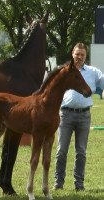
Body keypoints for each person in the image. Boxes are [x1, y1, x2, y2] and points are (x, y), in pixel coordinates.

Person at [54, 43, 104, 191]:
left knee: (81, 152)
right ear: (72, 54)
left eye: (82, 54)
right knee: (61, 150)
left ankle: (79, 184)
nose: (79, 57)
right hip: (66, 115)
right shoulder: (63, 72)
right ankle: (58, 183)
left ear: (85, 56)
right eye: (77, 54)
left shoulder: (93, 72)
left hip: (84, 116)